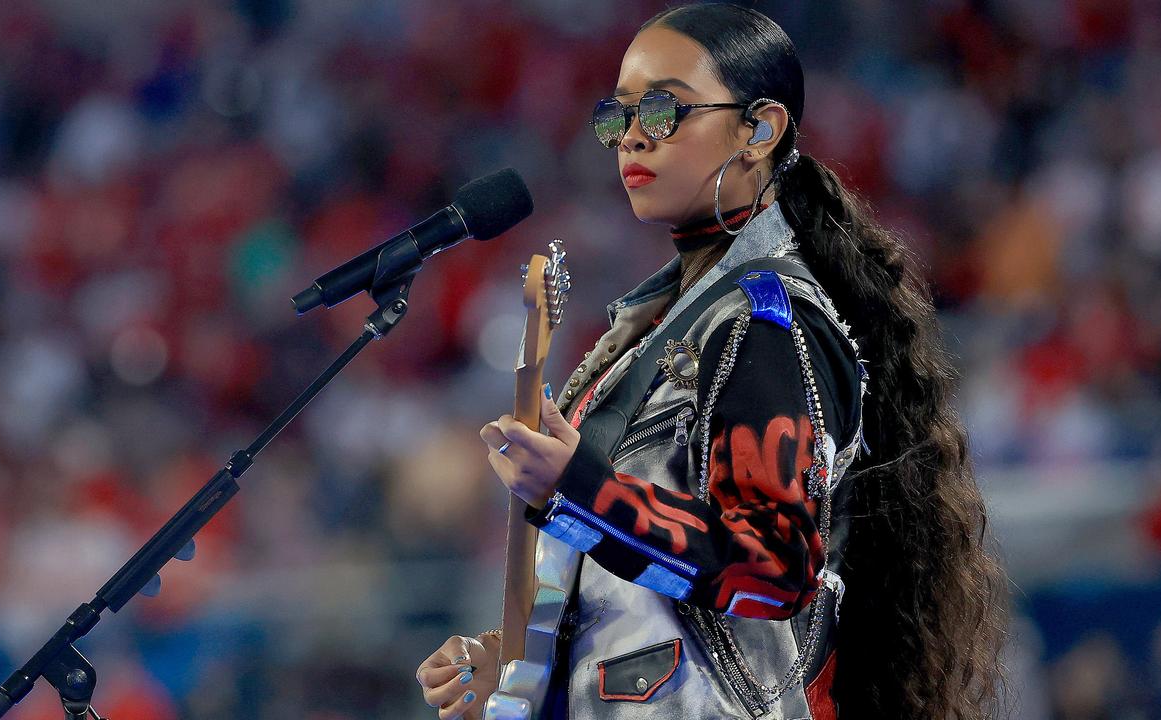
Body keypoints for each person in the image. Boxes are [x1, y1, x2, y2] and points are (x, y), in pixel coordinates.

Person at [416, 4, 1006, 718]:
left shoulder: (765, 322)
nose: (632, 136)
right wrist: (519, 672)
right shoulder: (655, 330)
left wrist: (582, 485)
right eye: (619, 116)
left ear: (760, 130)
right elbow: (636, 604)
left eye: (664, 110)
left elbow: (773, 569)